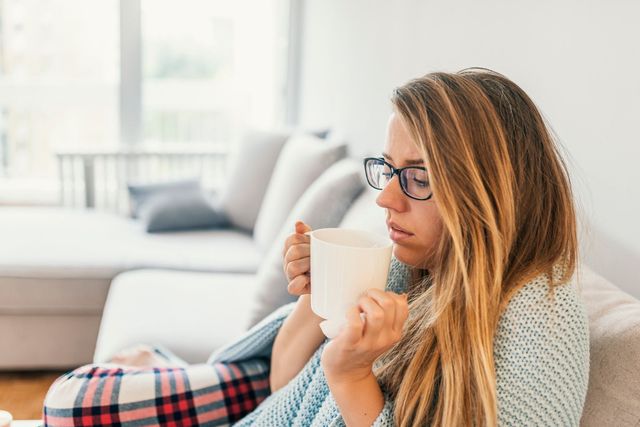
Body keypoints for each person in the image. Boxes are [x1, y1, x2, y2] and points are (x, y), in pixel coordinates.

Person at [44, 68, 589, 426]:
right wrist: (314, 297)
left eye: (418, 177)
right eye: (389, 171)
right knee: (74, 399)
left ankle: (157, 366)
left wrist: (350, 376)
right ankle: (158, 365)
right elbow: (286, 384)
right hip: (257, 408)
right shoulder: (410, 271)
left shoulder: (541, 317)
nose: (386, 201)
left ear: (490, 189)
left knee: (72, 404)